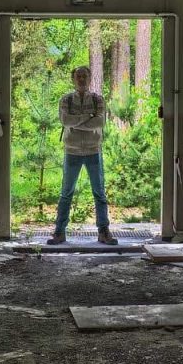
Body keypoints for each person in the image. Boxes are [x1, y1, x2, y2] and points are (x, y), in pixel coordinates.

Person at [50, 66, 117, 245]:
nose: (81, 79)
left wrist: (77, 121)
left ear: (90, 78)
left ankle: (103, 231)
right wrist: (88, 117)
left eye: (84, 76)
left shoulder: (98, 100)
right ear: (73, 79)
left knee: (99, 192)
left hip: (93, 150)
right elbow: (65, 120)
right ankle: (59, 232)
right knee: (66, 193)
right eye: (78, 76)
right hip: (72, 151)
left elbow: (100, 121)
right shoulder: (65, 100)